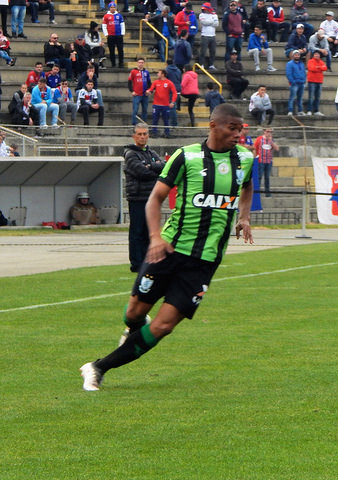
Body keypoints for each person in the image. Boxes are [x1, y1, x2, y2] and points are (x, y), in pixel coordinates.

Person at [79, 104, 255, 392]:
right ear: (213, 126)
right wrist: (156, 237)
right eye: (231, 128)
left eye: (240, 129)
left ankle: (98, 367)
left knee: (162, 326)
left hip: (205, 260)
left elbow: (246, 186)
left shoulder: (245, 159)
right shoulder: (186, 157)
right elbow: (154, 199)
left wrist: (244, 216)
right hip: (169, 249)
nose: (238, 134)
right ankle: (133, 327)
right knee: (135, 312)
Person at [123, 123, 165, 273]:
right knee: (137, 231)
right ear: (134, 136)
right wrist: (154, 167)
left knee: (150, 231)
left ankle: (149, 260)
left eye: (145, 134)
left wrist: (151, 166)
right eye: (139, 134)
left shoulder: (150, 152)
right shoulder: (130, 154)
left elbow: (164, 166)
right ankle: (136, 263)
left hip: (151, 197)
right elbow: (142, 172)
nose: (142, 136)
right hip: (137, 197)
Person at [147, 68, 178, 137]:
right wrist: (148, 91)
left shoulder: (169, 83)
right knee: (155, 119)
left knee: (166, 120)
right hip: (156, 104)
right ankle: (154, 132)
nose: (157, 74)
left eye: (159, 73)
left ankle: (167, 133)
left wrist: (172, 102)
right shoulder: (155, 82)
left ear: (163, 74)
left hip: (165, 105)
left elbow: (174, 93)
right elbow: (151, 89)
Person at [254, 126, 279, 196]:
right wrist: (255, 158)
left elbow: (277, 148)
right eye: (268, 131)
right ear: (264, 132)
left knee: (267, 177)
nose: (269, 133)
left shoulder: (272, 140)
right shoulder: (259, 139)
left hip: (268, 161)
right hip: (260, 160)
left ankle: (267, 192)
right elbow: (255, 148)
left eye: (270, 132)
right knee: (259, 176)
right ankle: (257, 192)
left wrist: (271, 141)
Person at [128, 57, 152, 125]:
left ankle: (144, 124)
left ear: (144, 63)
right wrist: (132, 91)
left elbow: (149, 83)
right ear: (137, 63)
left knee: (145, 110)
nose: (141, 64)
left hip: (145, 95)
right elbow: (129, 82)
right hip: (137, 94)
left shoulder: (146, 72)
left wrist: (149, 91)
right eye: (139, 62)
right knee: (135, 110)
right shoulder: (133, 71)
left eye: (142, 63)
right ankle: (134, 124)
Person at [102, 2, 125, 68]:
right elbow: (104, 25)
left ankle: (121, 63)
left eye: (114, 7)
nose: (113, 8)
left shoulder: (119, 15)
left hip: (119, 35)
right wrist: (106, 34)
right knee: (111, 50)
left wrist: (122, 33)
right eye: (111, 7)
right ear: (109, 8)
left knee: (120, 50)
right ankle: (113, 64)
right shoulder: (106, 16)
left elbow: (122, 24)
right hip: (110, 35)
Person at [306, 49, 327, 116]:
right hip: (312, 81)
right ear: (313, 55)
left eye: (318, 54)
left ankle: (316, 110)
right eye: (315, 54)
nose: (317, 55)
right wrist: (319, 68)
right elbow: (311, 68)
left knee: (317, 97)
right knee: (311, 97)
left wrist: (317, 67)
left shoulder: (321, 62)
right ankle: (309, 110)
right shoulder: (310, 61)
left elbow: (325, 68)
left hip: (319, 81)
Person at [286, 49, 306, 115]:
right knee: (292, 97)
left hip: (301, 83)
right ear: (293, 55)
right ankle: (290, 111)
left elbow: (304, 72)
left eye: (298, 55)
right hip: (294, 84)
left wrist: (304, 80)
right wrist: (293, 81)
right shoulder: (289, 64)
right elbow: (289, 74)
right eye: (295, 55)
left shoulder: (302, 63)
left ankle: (300, 111)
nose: (297, 56)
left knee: (300, 98)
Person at [199, 2, 218, 70]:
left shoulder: (214, 15)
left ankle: (211, 64)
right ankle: (201, 64)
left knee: (213, 51)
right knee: (203, 51)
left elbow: (216, 24)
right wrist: (212, 22)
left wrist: (208, 22)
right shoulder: (201, 15)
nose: (204, 10)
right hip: (204, 35)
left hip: (213, 35)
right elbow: (203, 22)